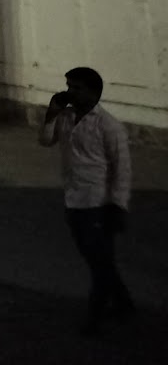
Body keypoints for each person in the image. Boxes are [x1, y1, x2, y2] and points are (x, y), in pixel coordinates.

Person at [38, 66, 134, 333]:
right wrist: (51, 113)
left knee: (99, 261)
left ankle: (96, 315)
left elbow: (121, 169)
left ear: (93, 92)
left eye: (76, 88)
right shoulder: (67, 117)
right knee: (96, 258)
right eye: (68, 86)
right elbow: (45, 141)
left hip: (98, 202)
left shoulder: (109, 126)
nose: (69, 92)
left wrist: (118, 205)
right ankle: (123, 303)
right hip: (74, 198)